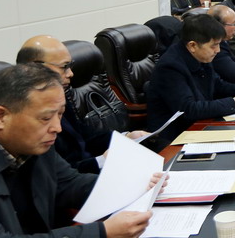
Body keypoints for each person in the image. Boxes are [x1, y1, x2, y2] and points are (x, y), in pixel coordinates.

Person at [0, 64, 153, 238]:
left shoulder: (33, 141)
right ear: (0, 117)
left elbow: (70, 184)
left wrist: (134, 185)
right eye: (45, 118)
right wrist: (102, 235)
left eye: (60, 114)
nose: (57, 128)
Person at [16, 36, 149, 173]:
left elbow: (87, 137)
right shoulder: (26, 117)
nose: (71, 73)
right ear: (36, 68)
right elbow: (60, 175)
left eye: (70, 66)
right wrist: (102, 161)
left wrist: (126, 138)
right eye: (64, 67)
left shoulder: (59, 98)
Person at [145, 14, 235, 151]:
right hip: (175, 137)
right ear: (193, 45)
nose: (218, 50)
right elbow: (188, 110)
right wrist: (234, 103)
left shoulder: (199, 56)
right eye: (214, 46)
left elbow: (217, 85)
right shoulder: (170, 67)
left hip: (200, 125)